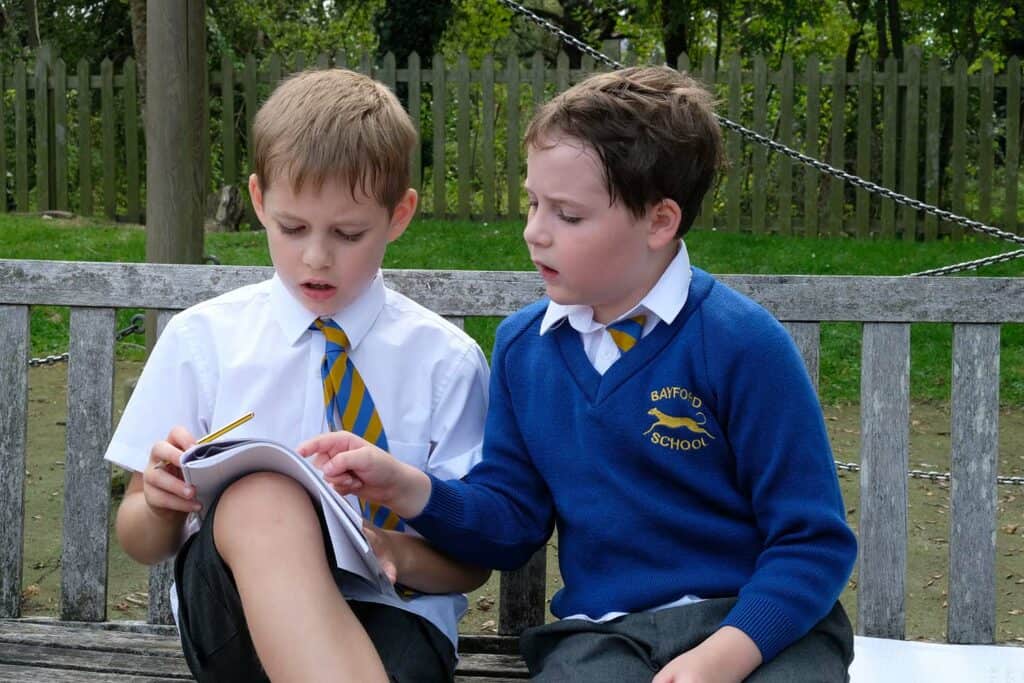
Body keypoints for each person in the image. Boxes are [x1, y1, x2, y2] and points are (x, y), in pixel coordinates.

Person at [298, 65, 858, 682]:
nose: (534, 232)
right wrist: (409, 488)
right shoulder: (524, 349)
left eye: (567, 215)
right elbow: (510, 524)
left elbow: (812, 541)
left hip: (756, 628)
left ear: (659, 222)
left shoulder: (741, 343)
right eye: (534, 202)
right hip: (603, 637)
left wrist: (727, 653)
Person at [106, 68, 491, 683]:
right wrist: (158, 501)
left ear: (399, 215)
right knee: (262, 495)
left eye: (347, 233)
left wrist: (387, 550)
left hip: (394, 613)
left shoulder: (445, 363)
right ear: (258, 201)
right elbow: (140, 541)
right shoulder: (205, 340)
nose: (316, 257)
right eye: (291, 229)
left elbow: (469, 566)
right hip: (235, 612)